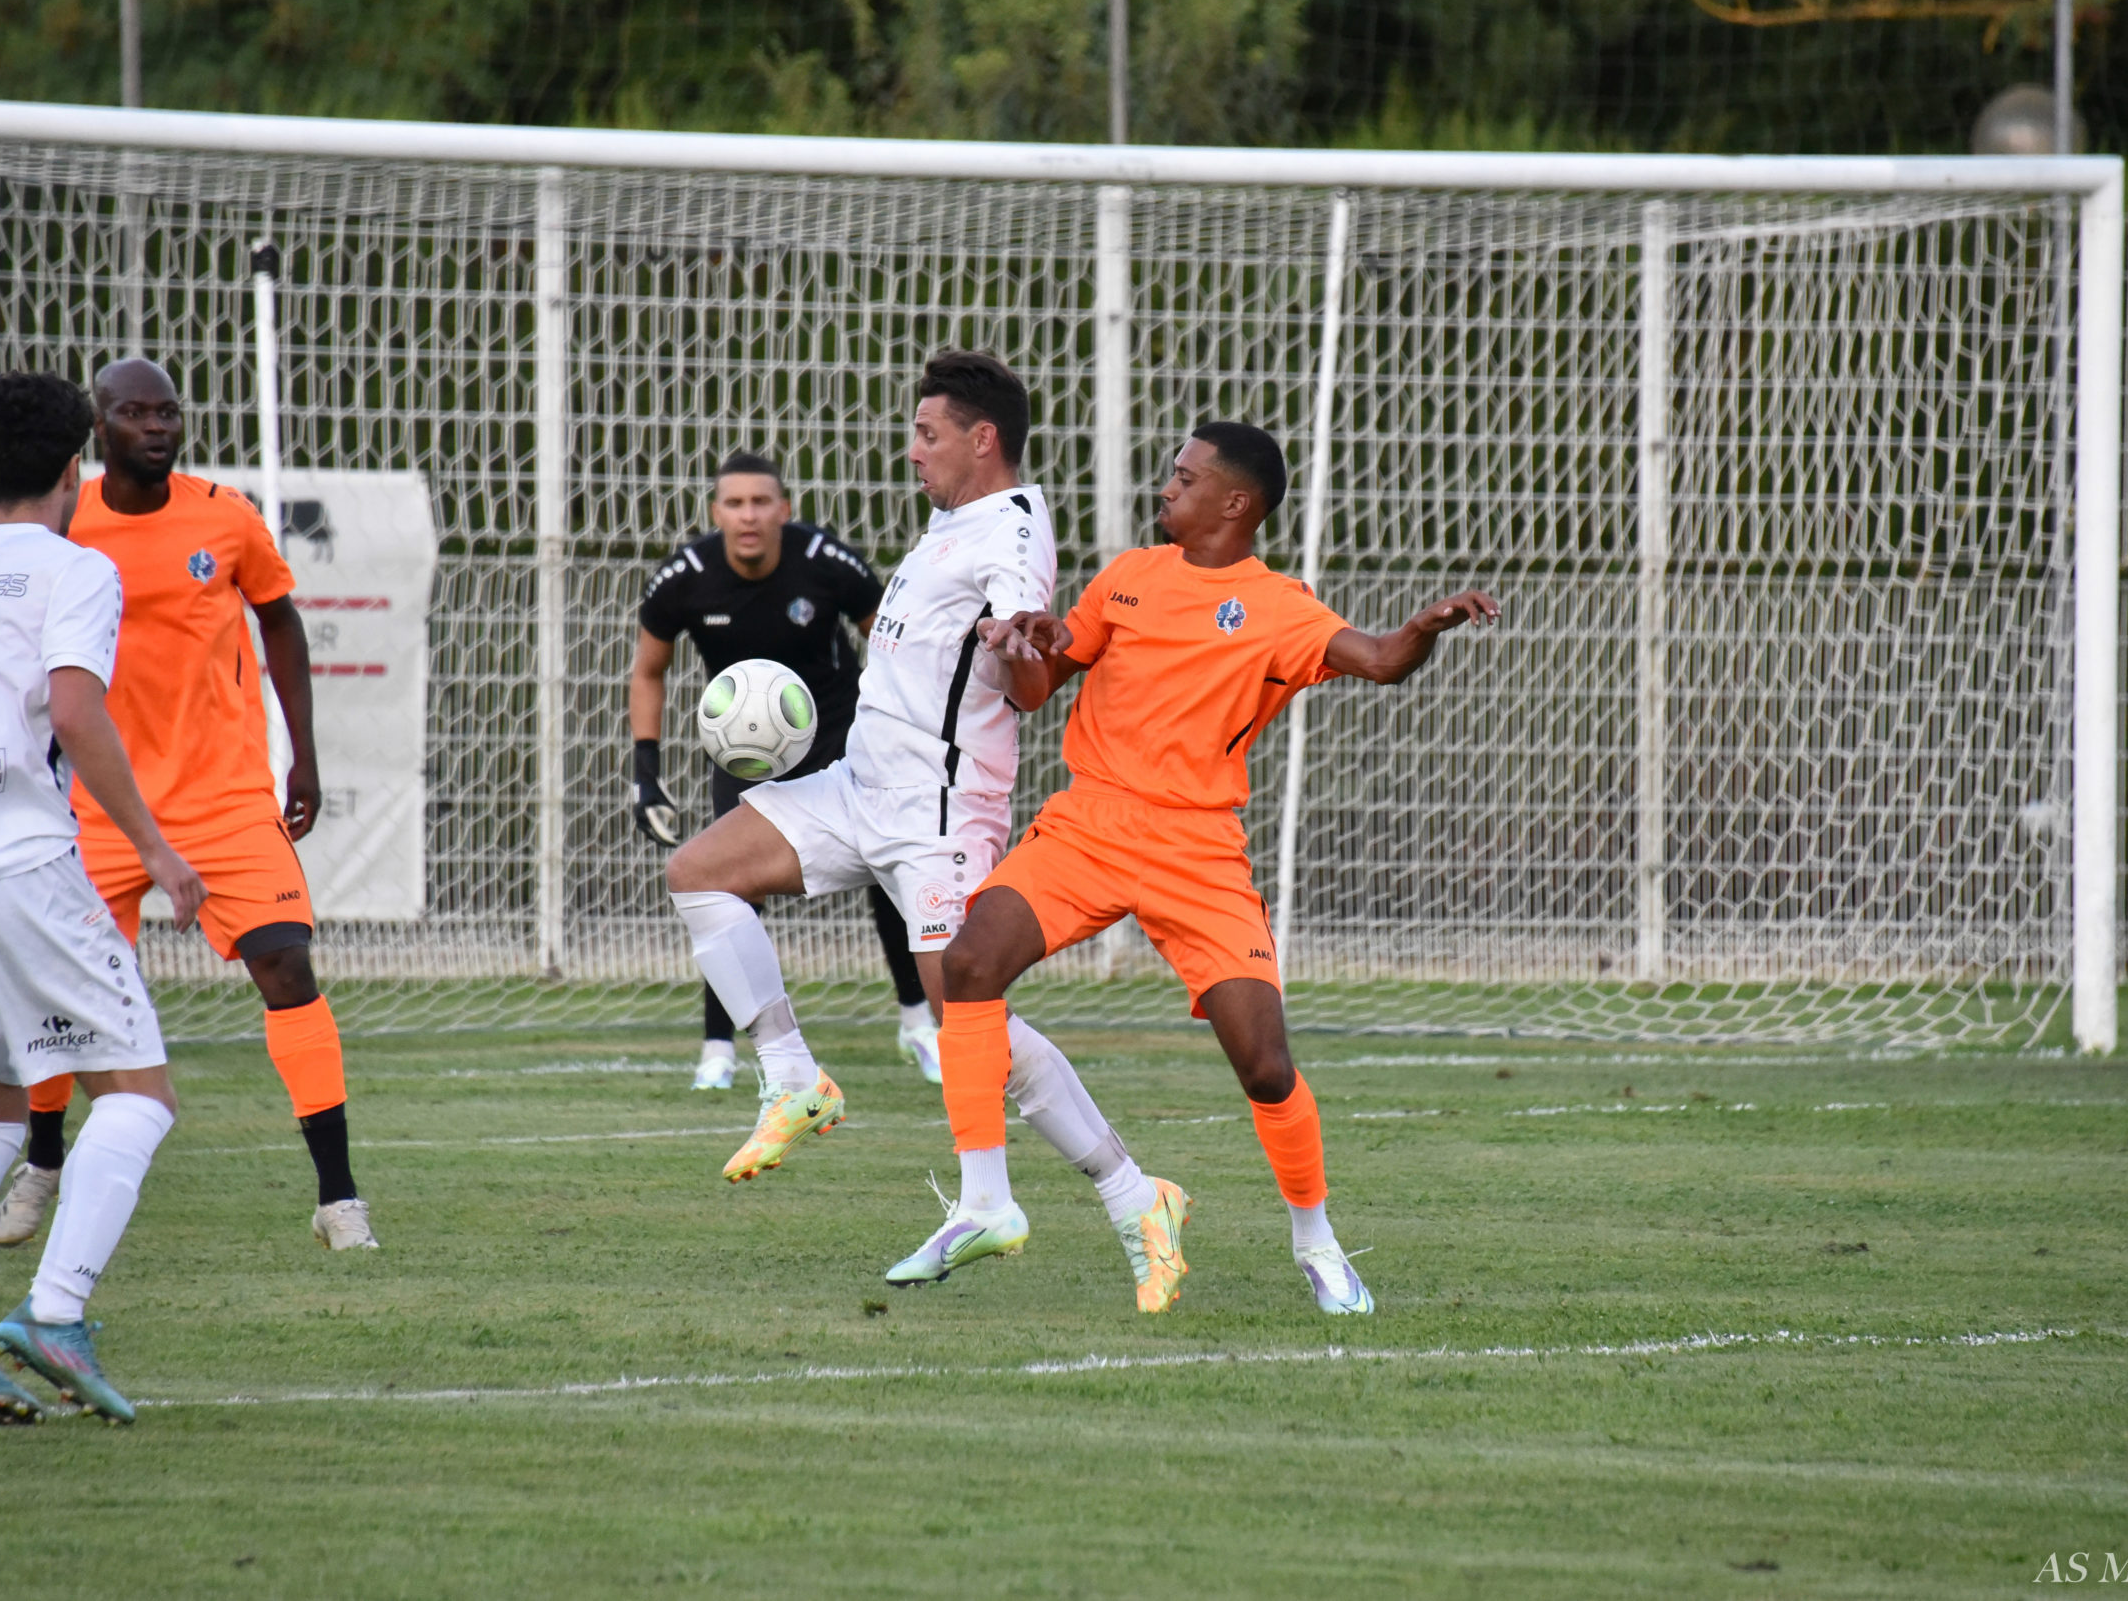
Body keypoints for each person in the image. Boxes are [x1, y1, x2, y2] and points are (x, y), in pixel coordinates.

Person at [918, 422, 1499, 1315]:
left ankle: (1318, 1243)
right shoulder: (1129, 576)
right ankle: (985, 1201)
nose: (1167, 488)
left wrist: (1422, 627)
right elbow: (1038, 690)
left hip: (1197, 849)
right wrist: (1022, 648)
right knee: (968, 964)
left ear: (1235, 502)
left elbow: (1382, 660)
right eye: (1171, 475)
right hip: (1090, 824)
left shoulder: (1280, 607)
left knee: (1264, 1065)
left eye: (1185, 479)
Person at [667, 353, 1167, 1275]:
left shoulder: (1012, 529)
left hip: (938, 814)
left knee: (967, 1017)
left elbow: (1028, 677)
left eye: (927, 434)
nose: (912, 451)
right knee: (699, 872)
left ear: (982, 440)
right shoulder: (952, 520)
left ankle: (1129, 1192)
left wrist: (1017, 641)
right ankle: (793, 1078)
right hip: (860, 784)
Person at [0, 357, 377, 1251]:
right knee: (63, 989)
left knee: (287, 967)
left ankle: (339, 1199)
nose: (157, 427)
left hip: (225, 797)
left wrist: (303, 755)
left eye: (167, 412)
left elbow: (279, 619)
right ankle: (42, 1160)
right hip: (98, 806)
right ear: (99, 427)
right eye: (136, 413)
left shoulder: (224, 516)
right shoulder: (64, 522)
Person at [0, 374, 210, 1427]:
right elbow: (74, 711)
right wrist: (156, 849)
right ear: (77, 466)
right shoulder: (76, 568)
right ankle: (55, 1311)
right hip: (20, 858)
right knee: (138, 1092)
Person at [629, 451, 938, 1091]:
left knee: (889, 867)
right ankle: (719, 1049)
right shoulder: (685, 577)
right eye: (735, 503)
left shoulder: (825, 562)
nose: (748, 516)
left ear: (784, 510)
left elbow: (891, 645)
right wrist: (645, 769)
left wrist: (907, 733)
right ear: (716, 513)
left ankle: (917, 1022)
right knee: (725, 887)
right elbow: (649, 671)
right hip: (747, 752)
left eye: (761, 502)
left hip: (841, 736)